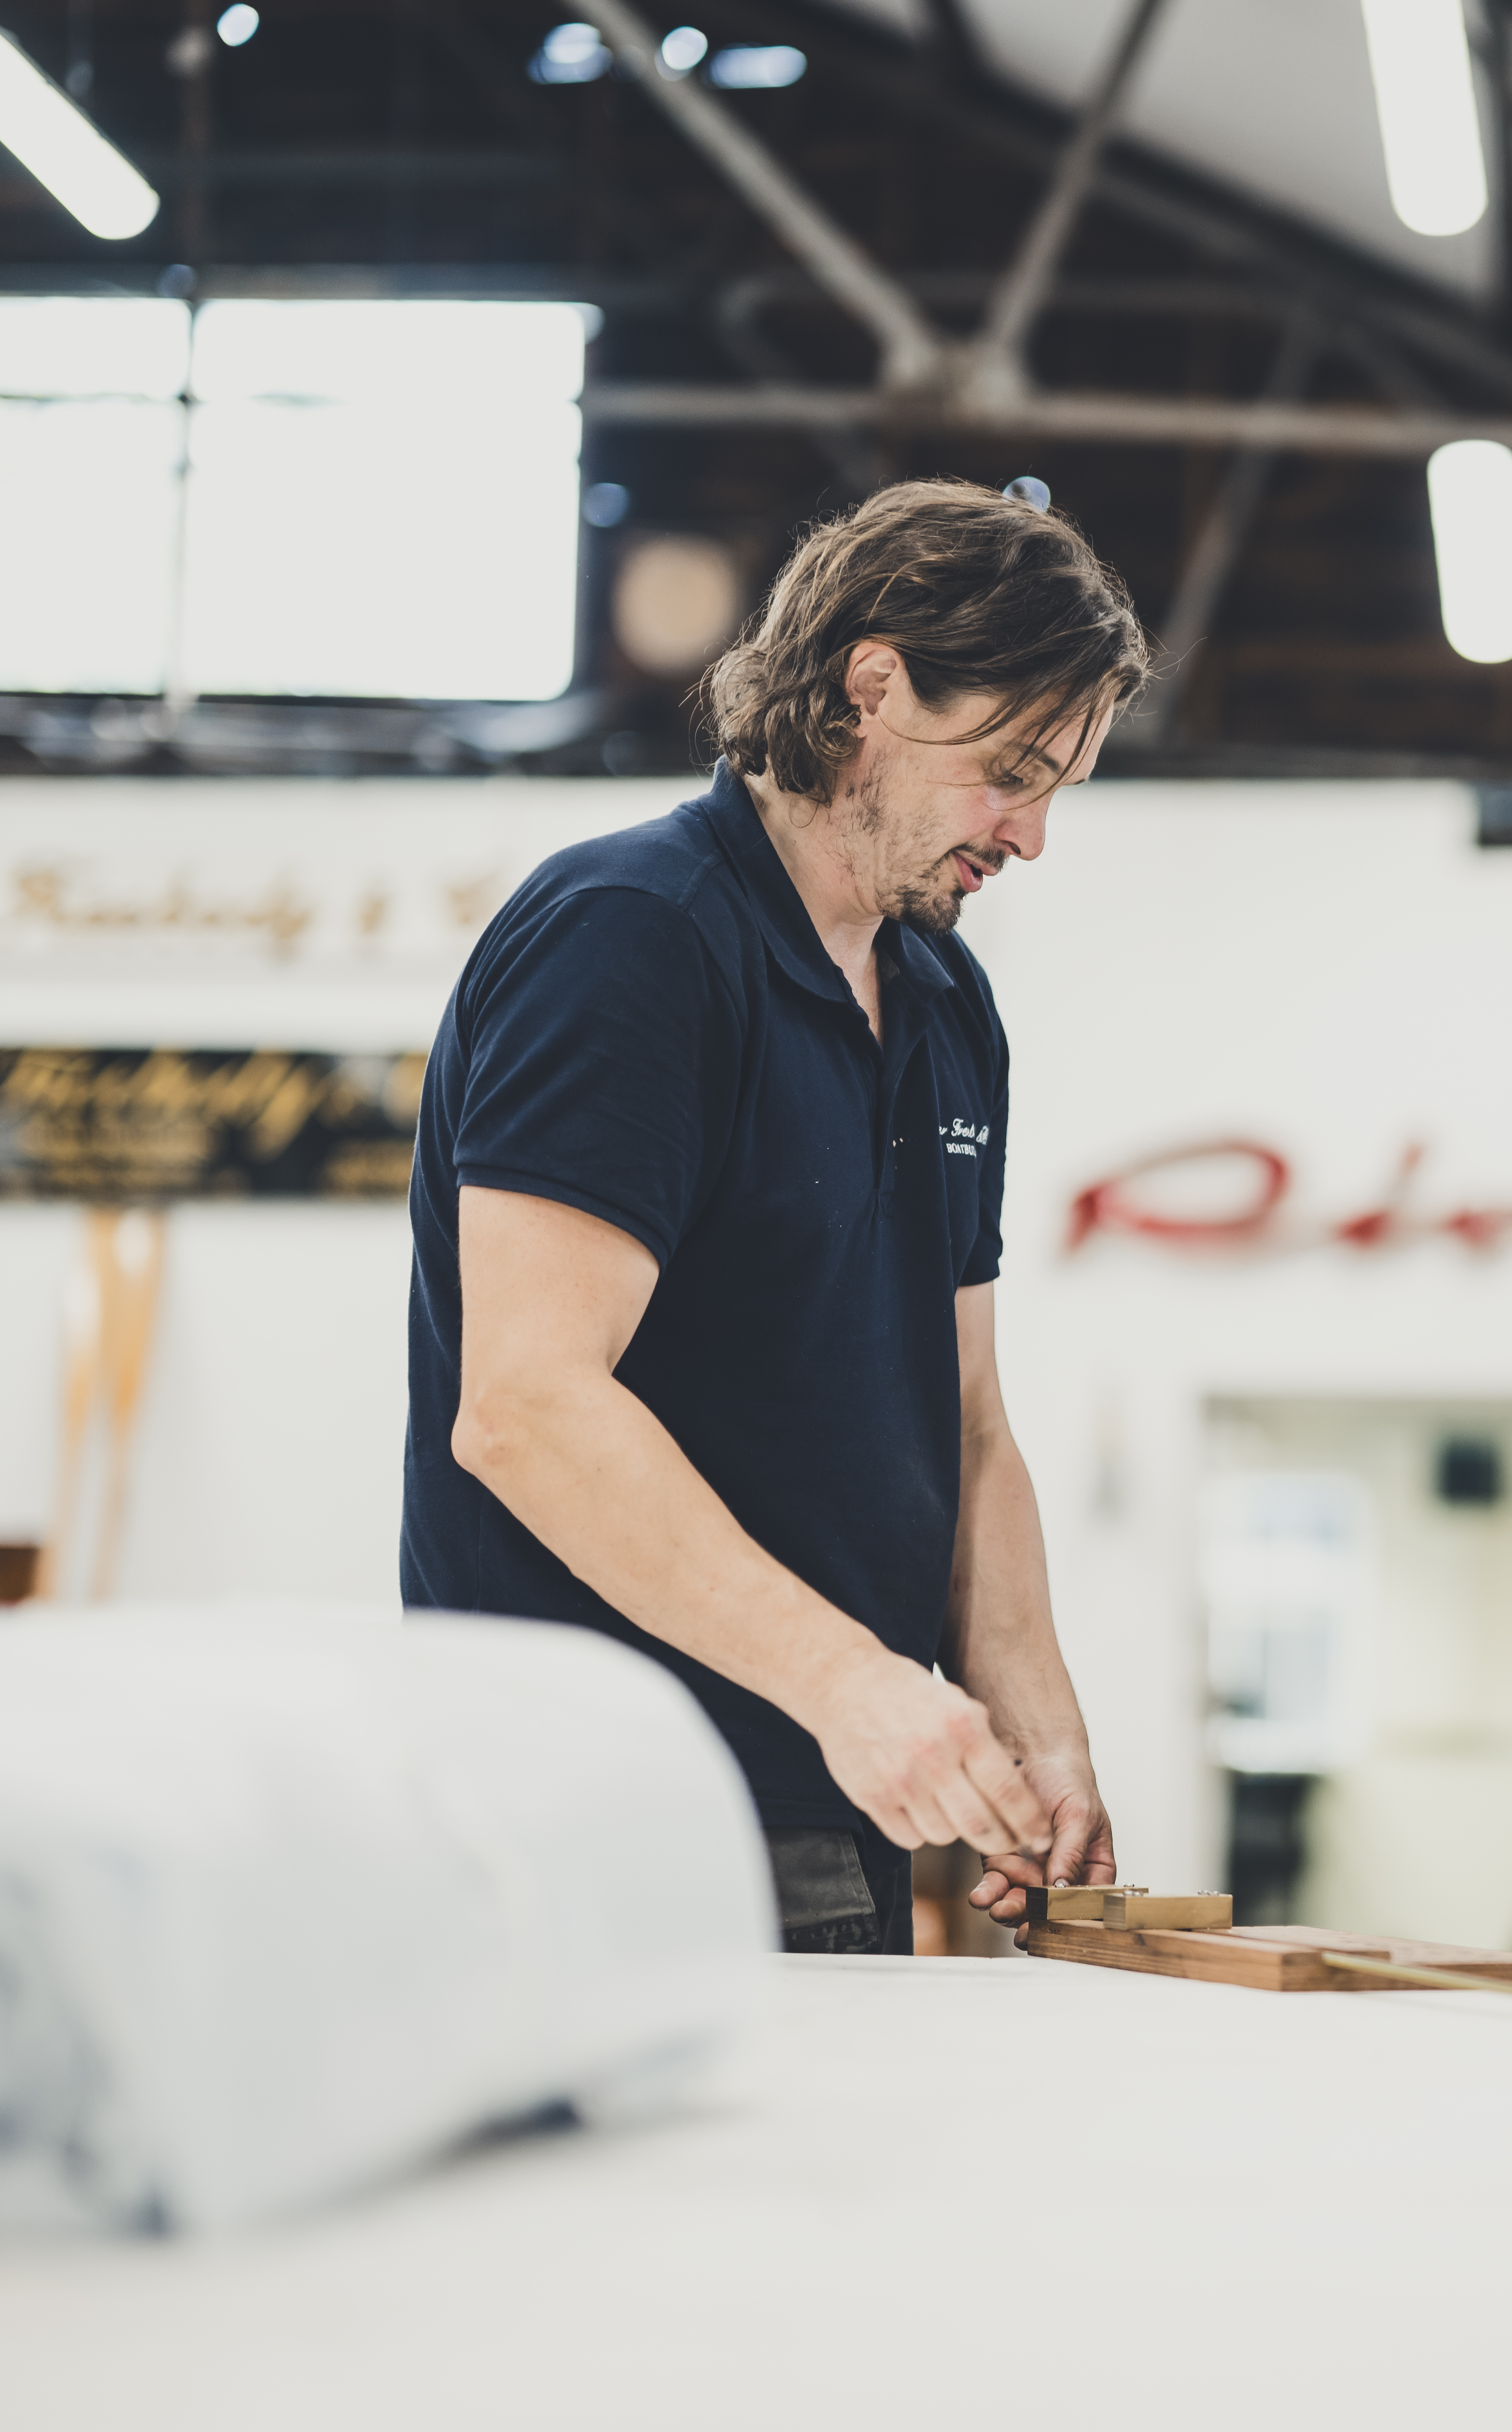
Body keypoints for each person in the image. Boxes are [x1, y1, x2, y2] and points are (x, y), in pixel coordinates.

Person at [402, 477, 1147, 1953]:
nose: (1033, 837)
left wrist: (1040, 1725)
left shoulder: (945, 1000)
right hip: (589, 1810)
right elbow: (529, 1405)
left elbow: (972, 1421)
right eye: (1011, 769)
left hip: (828, 1816)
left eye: (1062, 787)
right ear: (874, 687)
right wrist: (858, 1684)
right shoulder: (636, 937)